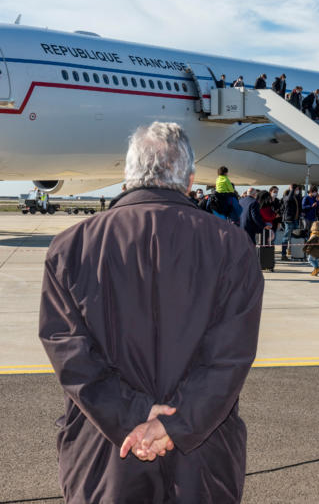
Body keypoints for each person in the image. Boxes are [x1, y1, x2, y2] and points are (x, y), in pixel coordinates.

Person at [39, 121, 264, 503]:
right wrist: (173, 423)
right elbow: (229, 358)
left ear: (128, 176)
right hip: (202, 453)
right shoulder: (232, 247)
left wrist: (134, 414)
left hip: (105, 450)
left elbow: (71, 356)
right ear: (190, 180)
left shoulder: (70, 248)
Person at [281, 184, 302, 260]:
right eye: (296, 189)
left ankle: (295, 253)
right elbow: (288, 200)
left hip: (295, 219)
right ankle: (283, 254)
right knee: (286, 237)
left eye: (297, 189)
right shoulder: (286, 196)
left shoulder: (297, 197)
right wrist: (292, 190)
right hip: (289, 219)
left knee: (295, 237)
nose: (297, 191)